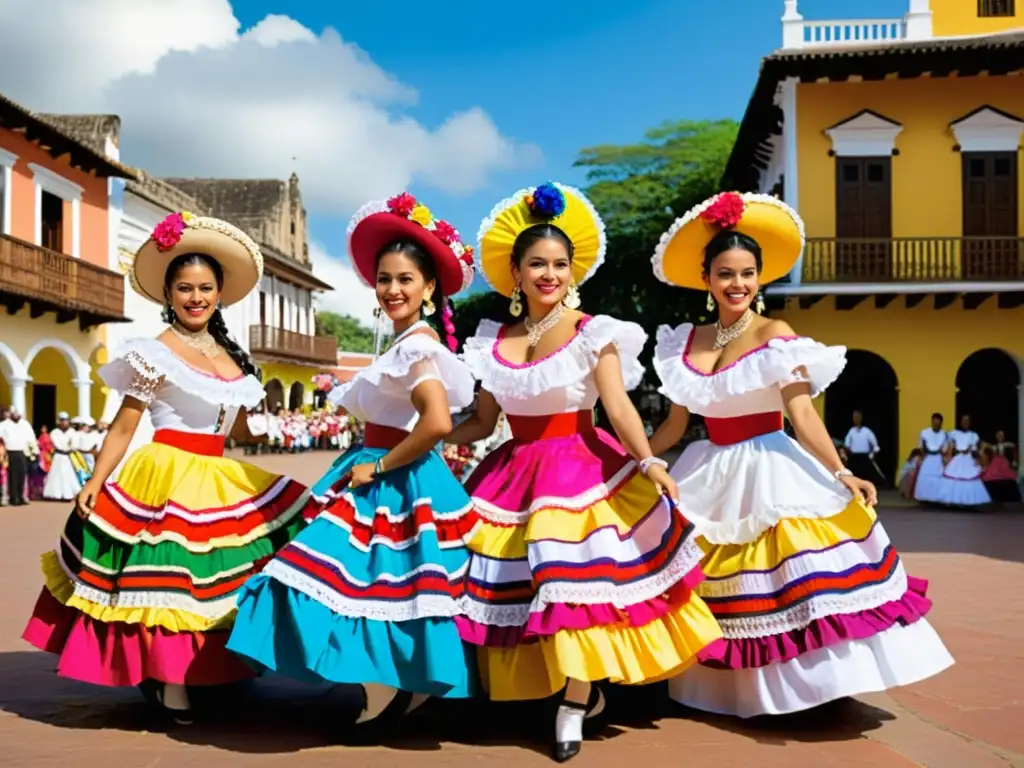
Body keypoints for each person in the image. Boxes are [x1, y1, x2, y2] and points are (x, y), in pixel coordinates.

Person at [647, 191, 953, 718]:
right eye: (725, 273)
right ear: (707, 279)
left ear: (760, 277)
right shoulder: (683, 344)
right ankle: (717, 687)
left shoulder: (776, 334)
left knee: (785, 580)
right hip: (708, 466)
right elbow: (675, 425)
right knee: (711, 579)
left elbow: (802, 414)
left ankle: (801, 689)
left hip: (770, 463)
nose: (737, 284)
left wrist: (841, 470)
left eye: (747, 273)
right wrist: (631, 459)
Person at [448, 182, 722, 762]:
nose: (549, 274)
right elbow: (481, 419)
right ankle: (524, 687)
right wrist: (428, 437)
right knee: (504, 587)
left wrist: (647, 459)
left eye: (559, 264)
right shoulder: (492, 339)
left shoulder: (595, 330)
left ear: (572, 270)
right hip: (510, 473)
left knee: (573, 586)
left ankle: (575, 698)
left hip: (579, 464)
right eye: (537, 264)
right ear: (516, 274)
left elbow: (617, 405)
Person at [22, 211, 317, 724]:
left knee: (221, 581)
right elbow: (123, 424)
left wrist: (262, 421)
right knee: (168, 582)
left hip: (220, 473)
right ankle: (171, 680)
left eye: (205, 287)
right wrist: (96, 479)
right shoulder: (154, 353)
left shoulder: (233, 357)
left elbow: (239, 432)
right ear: (169, 295)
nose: (195, 297)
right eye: (184, 288)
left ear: (220, 292)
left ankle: (216, 668)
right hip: (166, 474)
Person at [227, 193, 480, 731]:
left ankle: (384, 682)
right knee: (376, 584)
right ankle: (394, 682)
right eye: (384, 279)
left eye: (405, 279)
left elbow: (435, 422)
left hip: (390, 476)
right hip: (381, 468)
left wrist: (382, 466)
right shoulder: (404, 341)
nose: (392, 289)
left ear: (429, 287)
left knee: (351, 578)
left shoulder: (417, 345)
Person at [939, 414, 991, 508]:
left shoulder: (973, 435)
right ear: (960, 422)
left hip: (968, 458)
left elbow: (975, 450)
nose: (965, 422)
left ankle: (968, 502)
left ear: (970, 423)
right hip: (958, 458)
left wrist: (978, 459)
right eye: (963, 420)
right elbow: (949, 445)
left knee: (969, 479)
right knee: (954, 479)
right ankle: (954, 501)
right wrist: (946, 455)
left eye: (967, 421)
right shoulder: (954, 433)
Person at [0, 409, 37, 506]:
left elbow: (32, 438)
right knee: (11, 476)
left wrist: (34, 451)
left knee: (22, 475)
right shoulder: (4, 424)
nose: (16, 415)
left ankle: (21, 496)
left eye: (18, 413)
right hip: (9, 452)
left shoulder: (25, 424)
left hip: (22, 452)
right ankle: (12, 497)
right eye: (14, 413)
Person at [914, 413, 949, 505]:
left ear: (941, 423)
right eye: (934, 422)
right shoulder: (924, 433)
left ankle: (937, 499)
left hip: (938, 458)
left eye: (938, 423)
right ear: (931, 422)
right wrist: (920, 458)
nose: (936, 425)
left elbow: (945, 448)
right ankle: (924, 498)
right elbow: (920, 446)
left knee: (938, 478)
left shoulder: (944, 434)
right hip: (928, 458)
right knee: (925, 477)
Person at [843, 410, 885, 487]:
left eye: (857, 417)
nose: (856, 419)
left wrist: (871, 456)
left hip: (865, 458)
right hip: (854, 458)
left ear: (861, 418)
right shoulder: (851, 431)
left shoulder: (867, 431)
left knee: (866, 478)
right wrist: (846, 456)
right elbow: (847, 445)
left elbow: (876, 447)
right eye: (854, 417)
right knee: (853, 477)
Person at [981, 429, 1021, 503]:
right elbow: (987, 448)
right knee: (990, 476)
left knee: (1007, 476)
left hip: (1003, 462)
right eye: (999, 435)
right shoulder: (994, 446)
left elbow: (1014, 448)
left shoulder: (1007, 444)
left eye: (1002, 435)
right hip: (995, 463)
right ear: (996, 436)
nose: (1000, 436)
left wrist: (1015, 462)